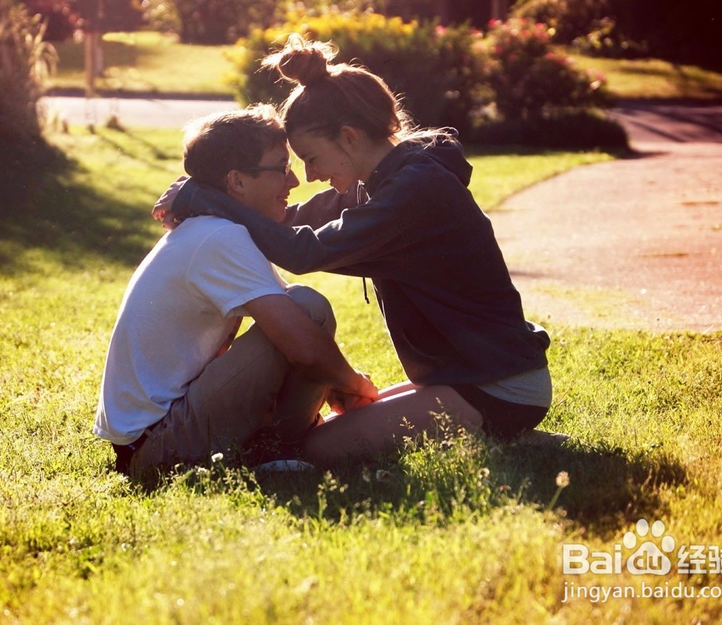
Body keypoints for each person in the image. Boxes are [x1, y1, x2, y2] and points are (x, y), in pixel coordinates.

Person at [159, 36, 553, 465]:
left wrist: (205, 198)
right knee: (341, 424)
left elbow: (302, 251)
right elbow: (286, 223)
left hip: (500, 386)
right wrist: (219, 191)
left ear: (348, 137)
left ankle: (502, 424)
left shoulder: (416, 191)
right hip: (465, 376)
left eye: (311, 157)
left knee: (318, 449)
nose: (309, 176)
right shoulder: (384, 181)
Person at [93, 105, 379, 476]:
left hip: (152, 437)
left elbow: (295, 337)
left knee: (302, 309)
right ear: (237, 182)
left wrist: (336, 384)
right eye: (282, 168)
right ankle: (278, 448)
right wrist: (356, 385)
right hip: (156, 447)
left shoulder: (216, 230)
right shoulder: (219, 236)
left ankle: (274, 444)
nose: (293, 183)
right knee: (309, 309)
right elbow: (304, 345)